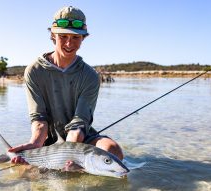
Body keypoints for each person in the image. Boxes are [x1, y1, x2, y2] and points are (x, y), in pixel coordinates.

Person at [9, 6, 124, 166]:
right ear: (53, 35)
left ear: (83, 38)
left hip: (80, 138)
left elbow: (80, 121)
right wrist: (36, 143)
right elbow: (39, 117)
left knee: (113, 152)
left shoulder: (90, 75)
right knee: (28, 175)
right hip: (47, 140)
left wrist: (70, 151)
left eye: (76, 37)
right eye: (63, 36)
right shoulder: (34, 70)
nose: (69, 43)